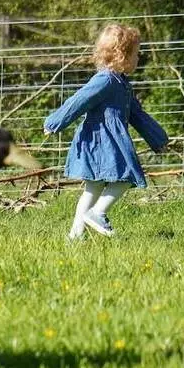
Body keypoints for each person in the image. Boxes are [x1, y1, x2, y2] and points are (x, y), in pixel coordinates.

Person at [44, 23, 169, 239]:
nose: (139, 58)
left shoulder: (122, 83)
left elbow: (137, 115)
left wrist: (158, 138)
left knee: (92, 189)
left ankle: (75, 236)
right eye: (136, 54)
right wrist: (55, 122)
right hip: (102, 142)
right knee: (126, 177)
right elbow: (79, 100)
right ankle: (98, 213)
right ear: (122, 55)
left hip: (105, 142)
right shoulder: (105, 80)